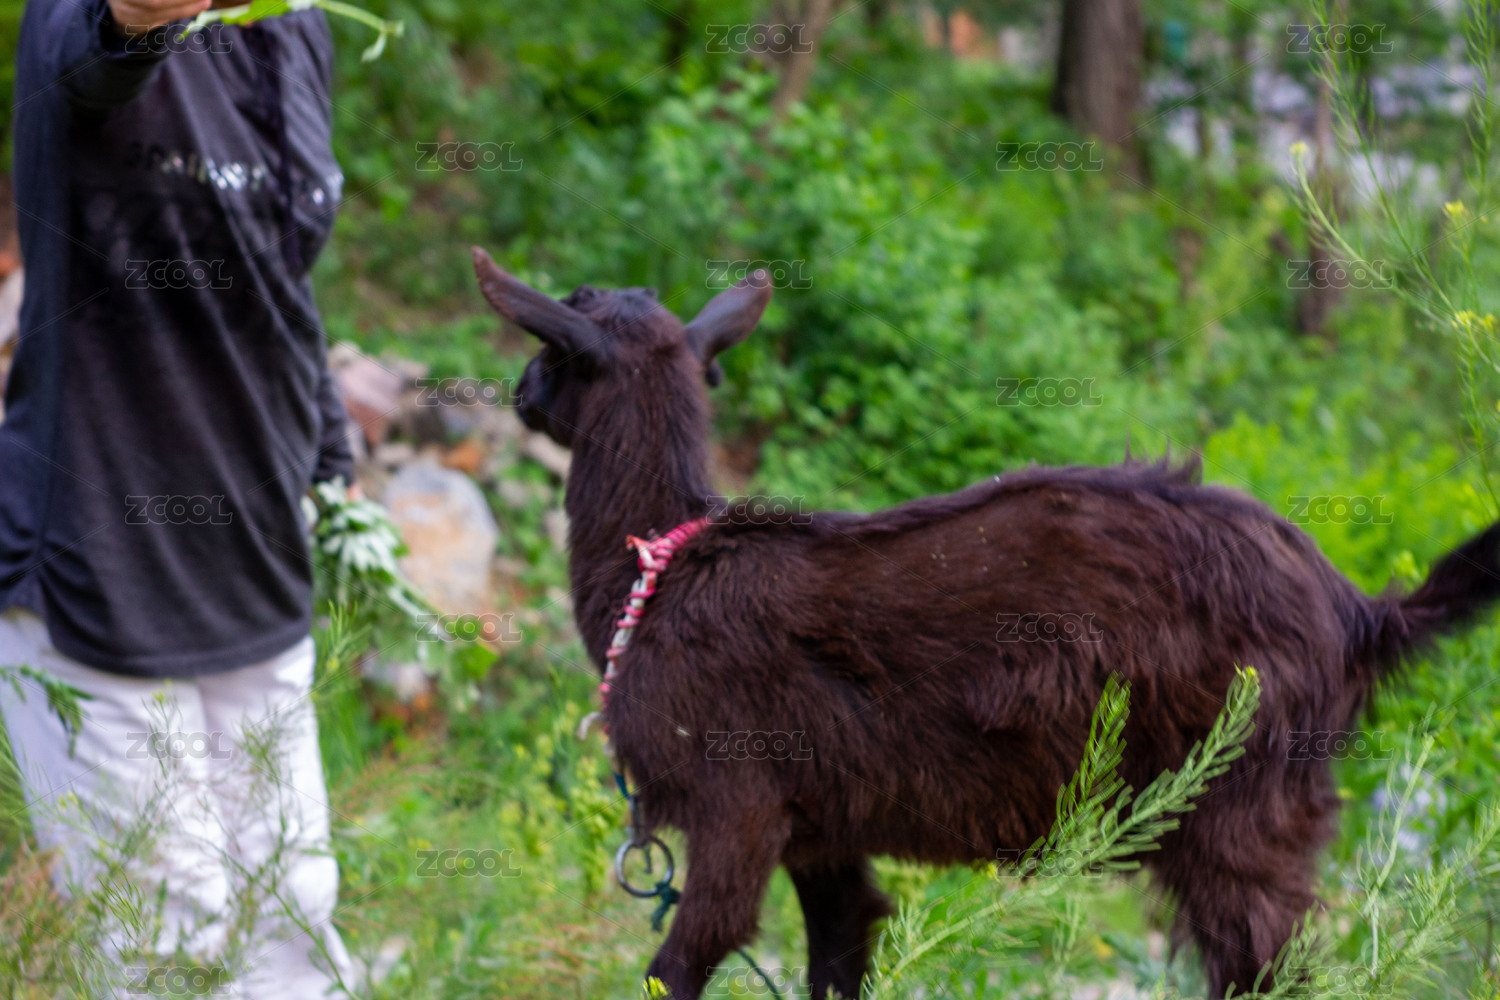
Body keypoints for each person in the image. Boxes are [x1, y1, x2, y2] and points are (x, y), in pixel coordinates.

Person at [0, 0, 357, 994]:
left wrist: (327, 445)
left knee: (294, 921)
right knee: (167, 948)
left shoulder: (300, 26)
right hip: (101, 571)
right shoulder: (78, 16)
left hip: (255, 563)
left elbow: (281, 266)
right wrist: (143, 16)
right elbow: (100, 55)